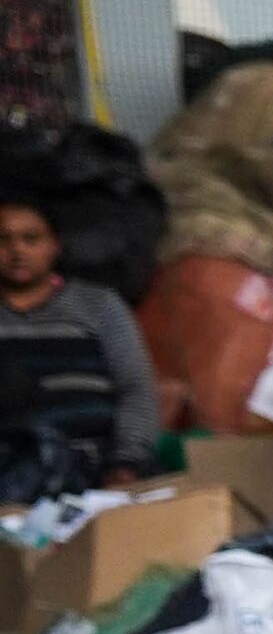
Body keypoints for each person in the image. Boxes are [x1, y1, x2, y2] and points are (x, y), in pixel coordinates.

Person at [0, 197, 156, 498]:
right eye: (3, 240)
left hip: (99, 475)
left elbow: (135, 389)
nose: (17, 251)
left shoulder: (98, 306)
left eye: (31, 238)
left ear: (54, 245)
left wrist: (126, 463)